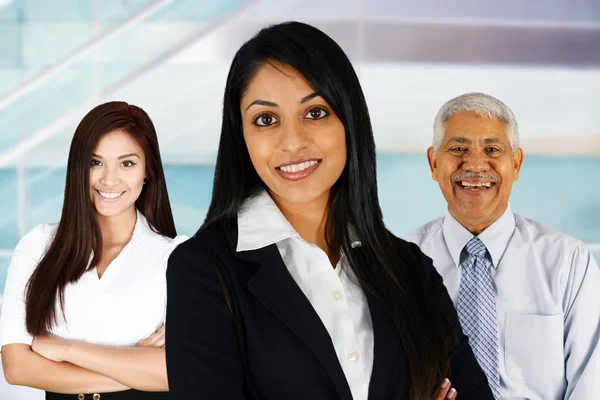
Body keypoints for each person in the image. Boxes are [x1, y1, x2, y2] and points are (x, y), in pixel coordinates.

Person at [165, 22, 493, 400]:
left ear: (348, 121)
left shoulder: (410, 268)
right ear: (241, 137)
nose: (292, 142)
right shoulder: (204, 270)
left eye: (316, 113)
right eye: (266, 120)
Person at [404, 92, 600, 399]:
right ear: (433, 162)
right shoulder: (400, 264)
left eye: (492, 149)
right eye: (458, 148)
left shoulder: (568, 261)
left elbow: (591, 385)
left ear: (516, 163)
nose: (475, 165)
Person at [0, 101, 187, 399]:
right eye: (95, 162)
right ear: (78, 167)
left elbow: (183, 370)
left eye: (127, 163)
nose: (109, 180)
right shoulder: (38, 247)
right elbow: (16, 366)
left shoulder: (177, 258)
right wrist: (135, 366)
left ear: (147, 171)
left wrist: (65, 349)